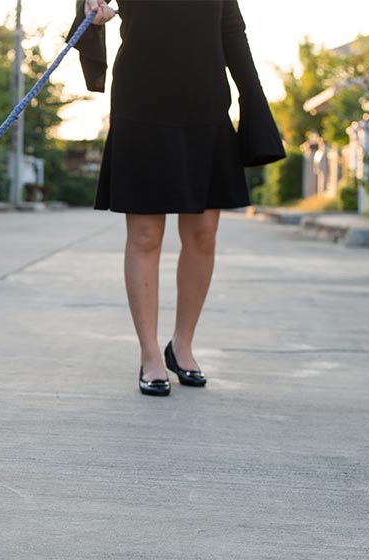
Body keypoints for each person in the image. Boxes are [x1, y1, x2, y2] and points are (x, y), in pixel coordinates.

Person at [69, 0, 284, 396]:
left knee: (203, 232)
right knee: (146, 234)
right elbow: (90, 5)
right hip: (142, 99)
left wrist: (252, 96)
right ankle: (150, 354)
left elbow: (232, 28)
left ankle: (181, 346)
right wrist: (91, 12)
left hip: (205, 100)